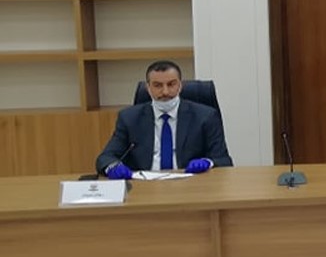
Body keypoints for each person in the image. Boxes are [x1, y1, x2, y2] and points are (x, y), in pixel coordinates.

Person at [95, 60, 233, 179]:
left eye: (171, 84)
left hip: (190, 182)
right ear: (148, 88)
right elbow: (106, 158)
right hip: (145, 185)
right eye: (158, 85)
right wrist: (113, 166)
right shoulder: (129, 118)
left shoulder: (205, 116)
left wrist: (207, 162)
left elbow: (223, 160)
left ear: (180, 85)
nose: (165, 92)